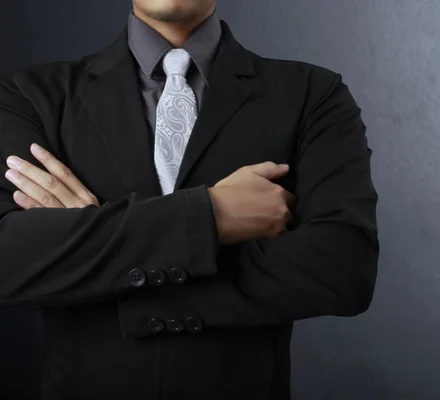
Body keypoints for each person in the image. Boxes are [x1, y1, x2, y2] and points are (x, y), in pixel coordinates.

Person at [0, 0, 379, 398]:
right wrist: (211, 215)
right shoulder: (29, 96)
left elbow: (344, 268)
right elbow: (9, 263)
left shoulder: (311, 95)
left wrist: (93, 249)